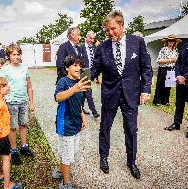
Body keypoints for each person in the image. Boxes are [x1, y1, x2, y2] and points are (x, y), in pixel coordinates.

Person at [90, 10, 152, 179]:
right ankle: (103, 157)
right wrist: (78, 79)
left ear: (122, 25)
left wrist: (146, 90)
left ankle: (131, 162)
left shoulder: (137, 42)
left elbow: (146, 69)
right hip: (110, 94)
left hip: (131, 94)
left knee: (131, 130)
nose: (110, 33)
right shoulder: (102, 47)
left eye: (113, 29)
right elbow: (94, 69)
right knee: (105, 128)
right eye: (107, 30)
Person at [53, 55, 90, 189]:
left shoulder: (81, 82)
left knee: (71, 152)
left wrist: (83, 117)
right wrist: (75, 88)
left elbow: (79, 103)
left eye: (80, 65)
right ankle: (66, 183)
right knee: (68, 156)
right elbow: (58, 97)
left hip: (76, 124)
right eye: (75, 65)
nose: (78, 68)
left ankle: (59, 171)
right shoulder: (64, 81)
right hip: (65, 125)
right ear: (67, 67)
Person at [0, 43, 35, 165]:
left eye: (18, 54)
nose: (17, 57)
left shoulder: (25, 68)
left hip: (23, 102)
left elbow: (29, 87)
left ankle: (24, 147)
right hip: (11, 103)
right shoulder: (4, 70)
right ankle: (14, 150)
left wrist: (31, 103)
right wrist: (2, 102)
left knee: (23, 124)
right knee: (13, 127)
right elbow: (0, 88)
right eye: (14, 54)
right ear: (9, 56)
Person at [153, 34, 181, 106]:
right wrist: (170, 60)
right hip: (163, 68)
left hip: (172, 69)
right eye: (170, 41)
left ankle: (165, 101)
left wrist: (176, 61)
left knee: (168, 85)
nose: (171, 42)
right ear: (167, 42)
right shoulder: (163, 49)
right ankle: (158, 101)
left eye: (172, 41)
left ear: (174, 42)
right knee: (160, 84)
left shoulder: (176, 50)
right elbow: (159, 60)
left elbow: (177, 60)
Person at [80, 31, 100, 118]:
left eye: (93, 39)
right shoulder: (81, 47)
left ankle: (80, 108)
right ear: (86, 37)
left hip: (92, 71)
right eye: (90, 38)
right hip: (84, 71)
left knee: (84, 92)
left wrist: (96, 76)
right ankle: (94, 111)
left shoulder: (94, 48)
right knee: (88, 90)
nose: (91, 40)